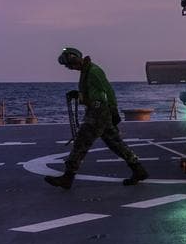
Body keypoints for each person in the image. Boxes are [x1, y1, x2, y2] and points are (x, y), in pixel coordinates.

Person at [45, 46, 149, 189]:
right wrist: (77, 94)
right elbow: (94, 92)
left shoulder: (93, 72)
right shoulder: (87, 71)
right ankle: (139, 170)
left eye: (69, 64)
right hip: (99, 111)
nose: (69, 68)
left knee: (81, 143)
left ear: (74, 59)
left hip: (98, 112)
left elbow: (104, 93)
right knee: (115, 143)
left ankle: (67, 178)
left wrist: (110, 112)